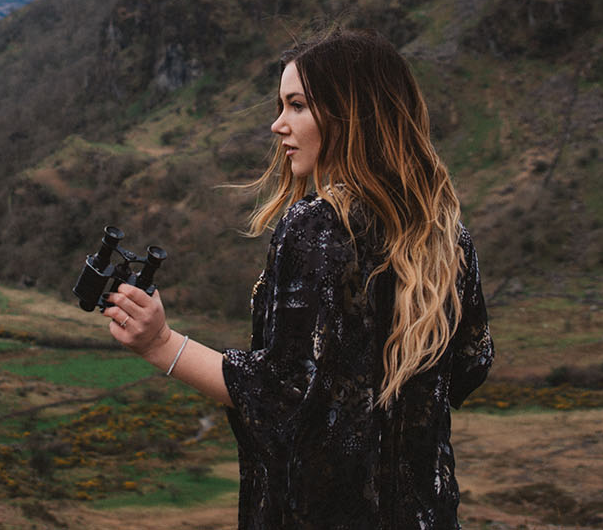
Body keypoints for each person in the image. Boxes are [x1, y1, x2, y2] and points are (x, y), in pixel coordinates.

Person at [105, 27, 494, 529]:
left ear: (352, 115)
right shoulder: (445, 233)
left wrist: (159, 343)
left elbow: (281, 393)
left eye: (297, 106)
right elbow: (471, 365)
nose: (277, 125)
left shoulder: (316, 226)